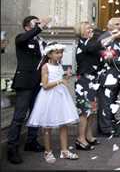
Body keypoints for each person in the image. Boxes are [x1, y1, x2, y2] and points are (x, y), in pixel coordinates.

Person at [7, 16, 50, 164]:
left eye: (39, 22)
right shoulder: (22, 37)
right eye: (35, 22)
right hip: (24, 83)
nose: (38, 24)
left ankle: (31, 142)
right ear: (26, 26)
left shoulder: (42, 42)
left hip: (38, 83)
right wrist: (40, 26)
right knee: (19, 116)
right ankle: (12, 148)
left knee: (35, 114)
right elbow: (23, 39)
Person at [27, 42, 80, 163]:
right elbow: (45, 85)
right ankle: (48, 151)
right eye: (57, 53)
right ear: (49, 54)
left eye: (61, 52)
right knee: (47, 126)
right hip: (48, 97)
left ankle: (64, 151)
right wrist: (60, 81)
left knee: (64, 124)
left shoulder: (59, 65)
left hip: (61, 97)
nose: (60, 55)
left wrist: (66, 76)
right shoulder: (45, 66)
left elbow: (61, 80)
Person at [97, 17, 120, 135]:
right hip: (107, 77)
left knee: (111, 102)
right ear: (109, 26)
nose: (119, 26)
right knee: (105, 103)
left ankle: (109, 124)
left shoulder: (116, 41)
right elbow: (108, 58)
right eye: (116, 24)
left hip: (114, 76)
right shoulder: (106, 38)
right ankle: (105, 128)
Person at [74, 22, 104, 150]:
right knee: (84, 111)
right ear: (81, 31)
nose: (90, 30)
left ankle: (88, 135)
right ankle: (80, 138)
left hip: (93, 80)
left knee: (92, 110)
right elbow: (91, 48)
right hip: (84, 81)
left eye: (91, 28)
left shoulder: (91, 43)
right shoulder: (82, 43)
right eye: (87, 28)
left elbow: (98, 56)